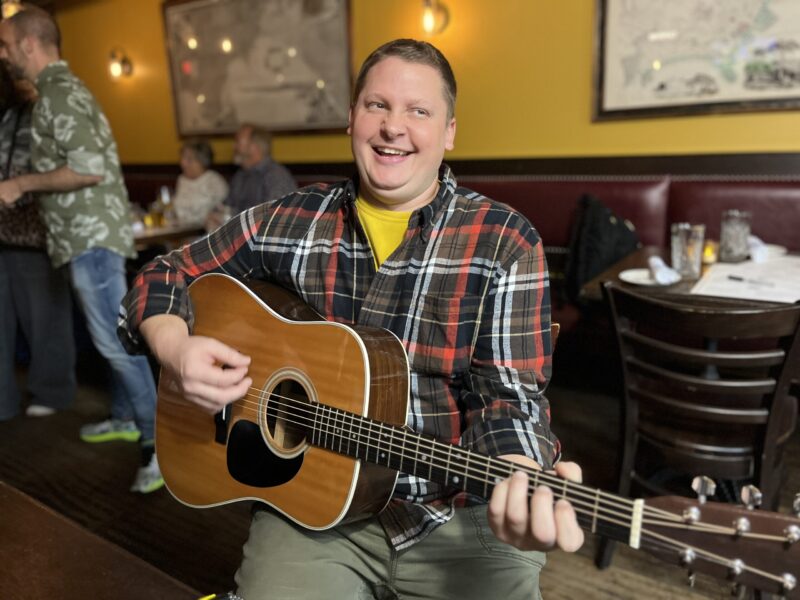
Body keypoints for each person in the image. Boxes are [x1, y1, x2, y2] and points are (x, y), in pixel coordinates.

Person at [119, 39, 583, 598]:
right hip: (314, 506)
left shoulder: (504, 239)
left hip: (456, 512)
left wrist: (518, 471)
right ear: (352, 118)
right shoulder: (291, 219)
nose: (393, 127)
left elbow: (508, 398)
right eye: (377, 105)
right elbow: (162, 272)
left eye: (419, 111)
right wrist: (175, 349)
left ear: (449, 132)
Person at [0, 5, 162, 493]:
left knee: (116, 343)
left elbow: (88, 168)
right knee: (113, 337)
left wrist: (20, 183)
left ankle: (158, 447)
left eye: (5, 45)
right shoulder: (60, 91)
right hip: (85, 238)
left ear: (29, 44)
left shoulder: (57, 94)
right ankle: (126, 417)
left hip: (91, 239)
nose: (2, 54)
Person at [0, 60, 76, 421]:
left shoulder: (37, 111)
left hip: (33, 233)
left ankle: (53, 392)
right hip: (4, 233)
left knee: (46, 318)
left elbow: (50, 167)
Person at [204, 124, 296, 230]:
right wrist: (215, 215)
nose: (234, 147)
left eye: (238, 142)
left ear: (254, 147)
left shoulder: (276, 176)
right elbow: (226, 205)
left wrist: (229, 218)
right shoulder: (240, 175)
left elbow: (275, 217)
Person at [172, 140, 228, 225]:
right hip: (181, 230)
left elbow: (221, 214)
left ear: (202, 161)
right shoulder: (182, 180)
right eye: (182, 158)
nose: (183, 163)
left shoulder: (214, 181)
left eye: (189, 159)